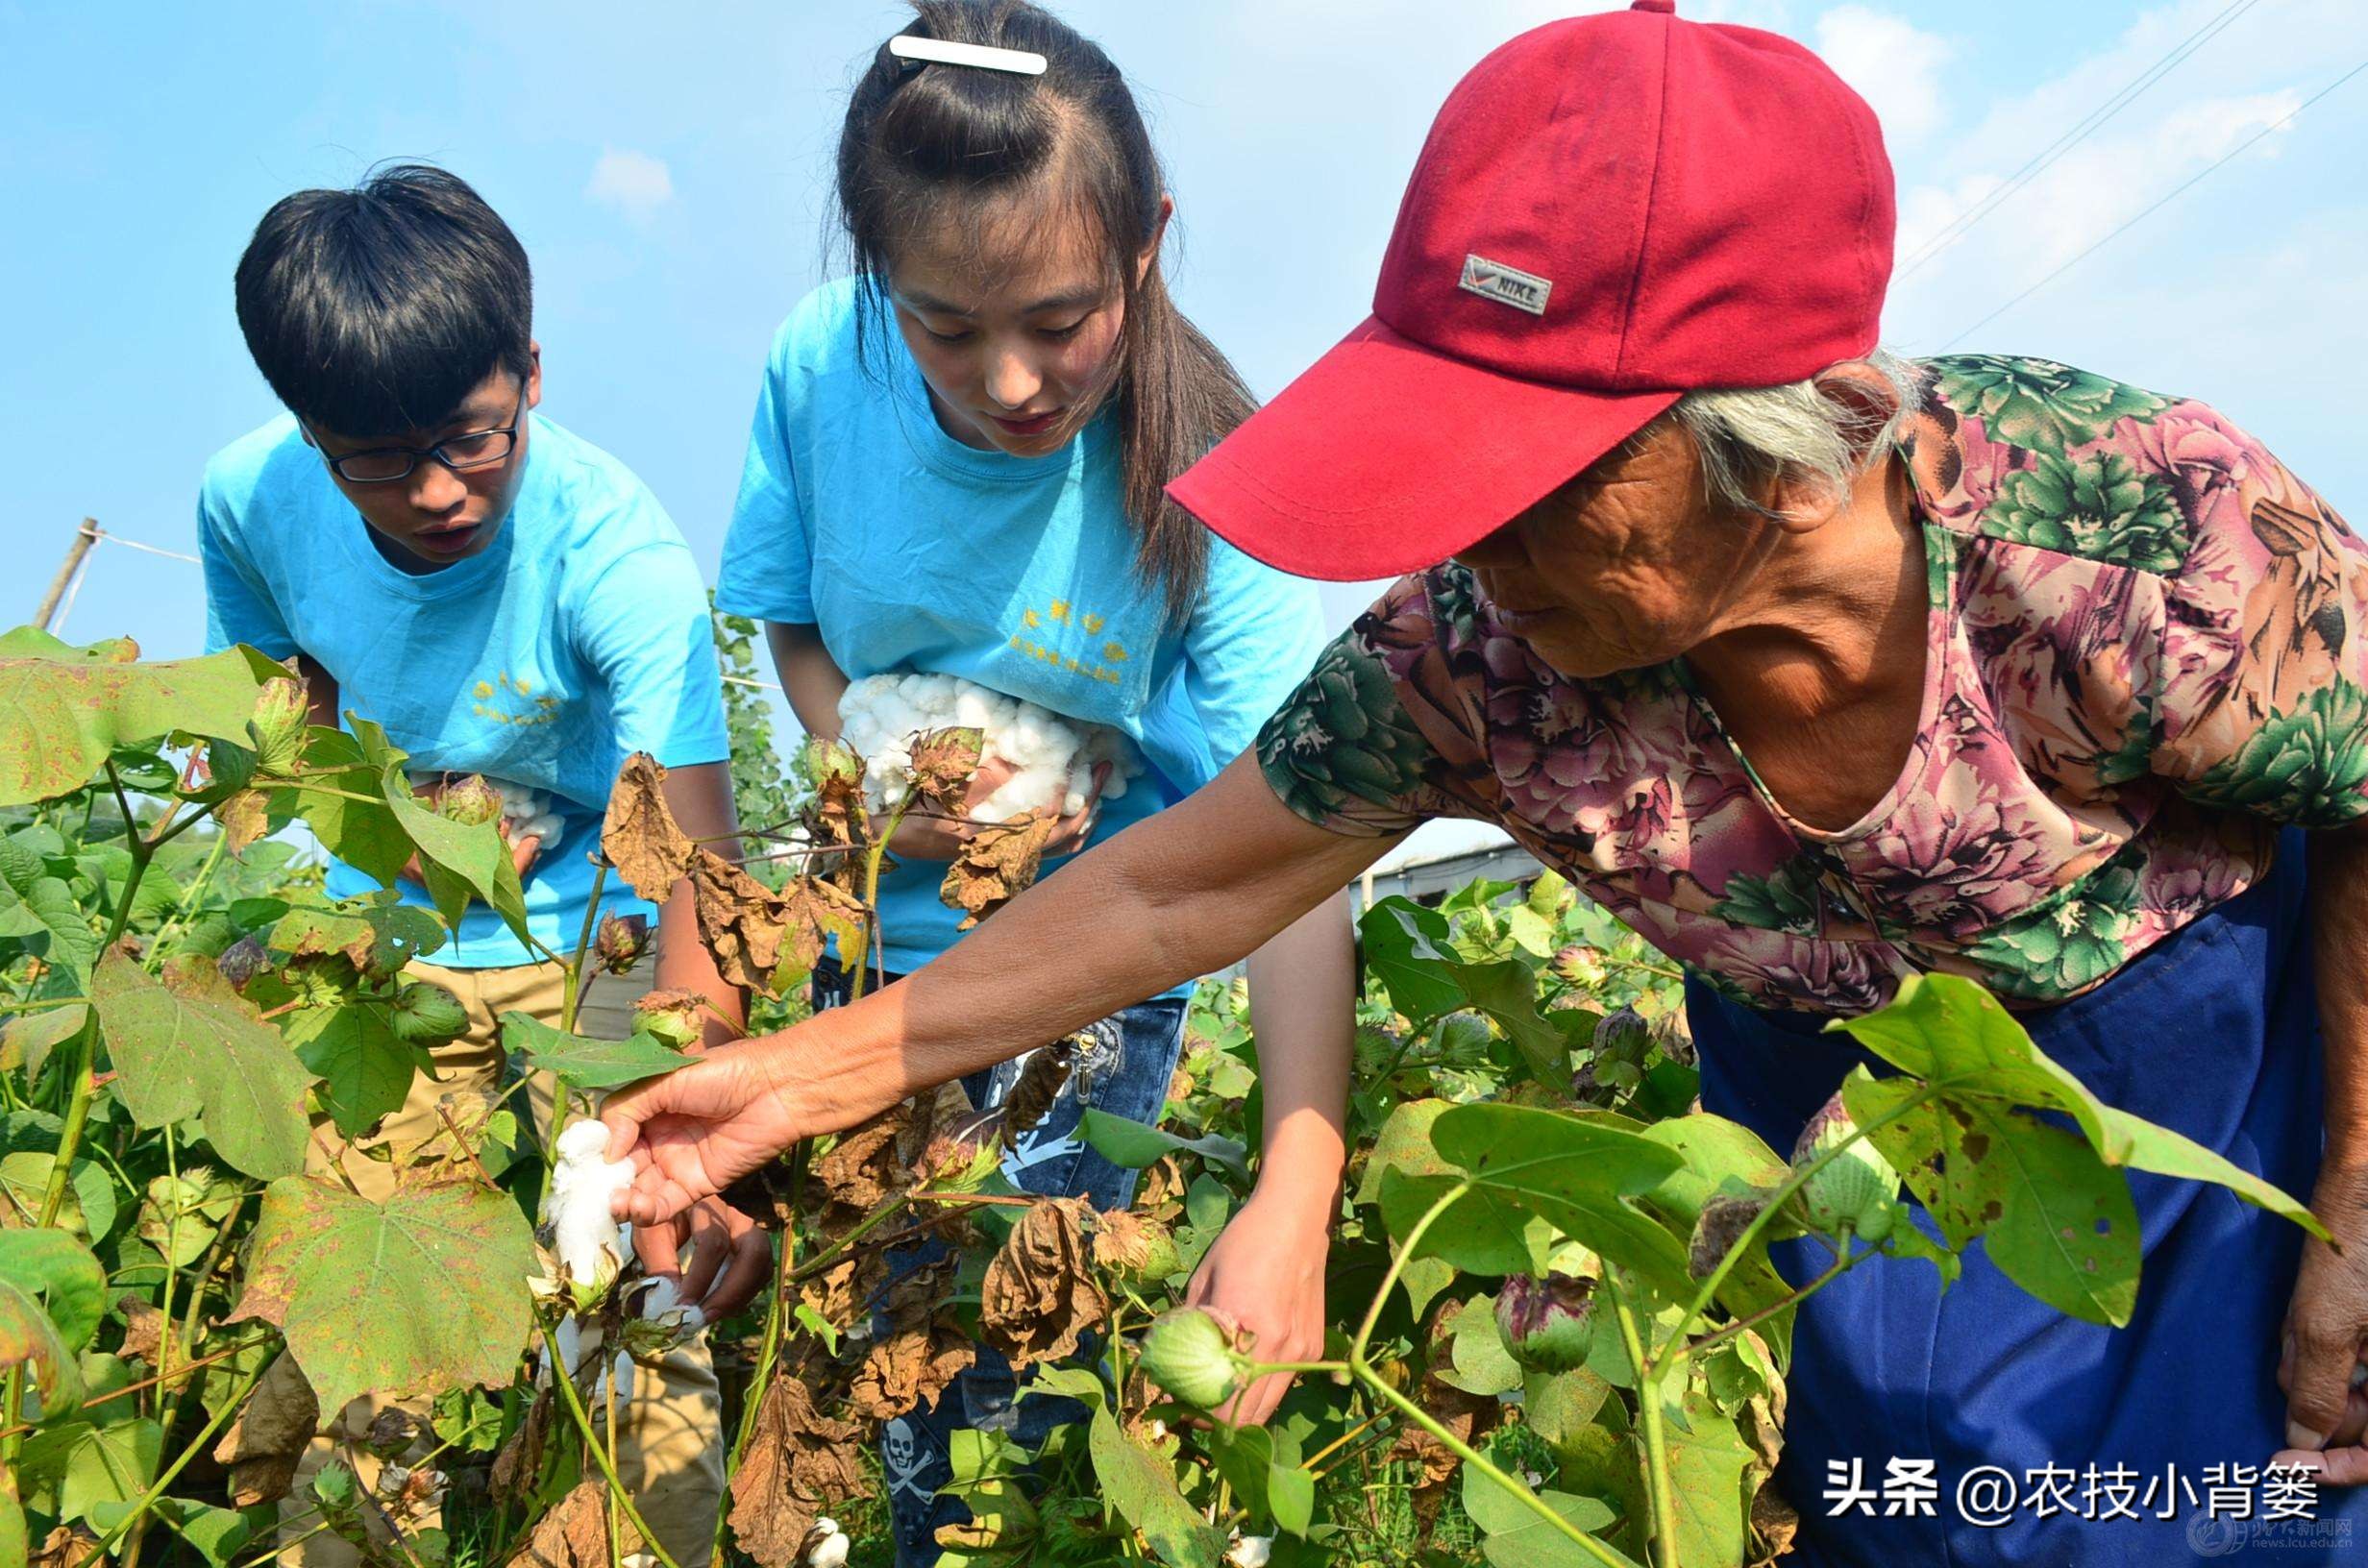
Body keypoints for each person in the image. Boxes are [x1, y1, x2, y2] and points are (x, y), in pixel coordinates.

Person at [605, 4, 2368, 1563]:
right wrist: (781, 1083)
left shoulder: (2124, 536)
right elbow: (1179, 884)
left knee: (2224, 1509)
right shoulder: (1483, 649)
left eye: (1530, 475)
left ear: (1765, 428)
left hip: (2180, 1088)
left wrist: (2360, 1197)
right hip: (1811, 1114)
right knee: (1913, 1503)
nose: (1465, 534)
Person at [713, 4, 1354, 1559]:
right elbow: (790, 624)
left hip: (1088, 992)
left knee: (1002, 1403)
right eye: (944, 327)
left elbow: (1302, 853)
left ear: (1149, 247)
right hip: (856, 956)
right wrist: (856, 763)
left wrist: (1296, 1189)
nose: (1011, 381)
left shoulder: (1214, 467)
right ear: (878, 287)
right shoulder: (819, 369)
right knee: (860, 1366)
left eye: (1063, 321)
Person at [198, 164, 752, 1566]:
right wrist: (283, 932)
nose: (437, 492)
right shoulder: (248, 504)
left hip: (606, 947)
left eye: (471, 438)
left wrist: (676, 1111)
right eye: (377, 460)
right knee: (367, 1331)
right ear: (307, 433)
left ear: (531, 375)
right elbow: (283, 731)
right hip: (398, 951)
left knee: (635, 1323)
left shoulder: (616, 552)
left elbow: (700, 864)